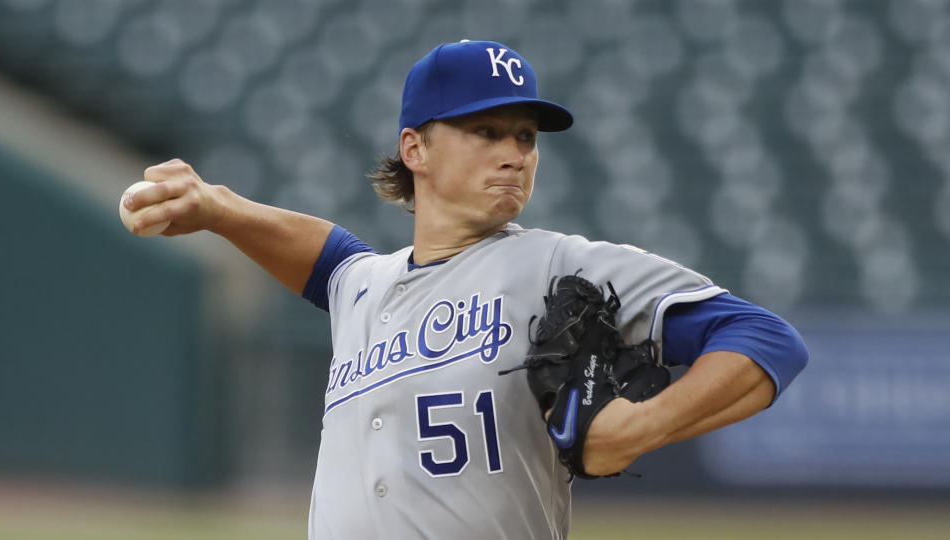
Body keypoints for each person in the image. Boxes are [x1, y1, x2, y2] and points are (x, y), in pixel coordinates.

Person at [126, 40, 808, 540]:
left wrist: (642, 426)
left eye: (525, 136)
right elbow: (330, 259)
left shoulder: (558, 267)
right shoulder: (364, 288)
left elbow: (766, 339)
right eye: (485, 131)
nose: (514, 152)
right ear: (415, 149)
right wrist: (218, 208)